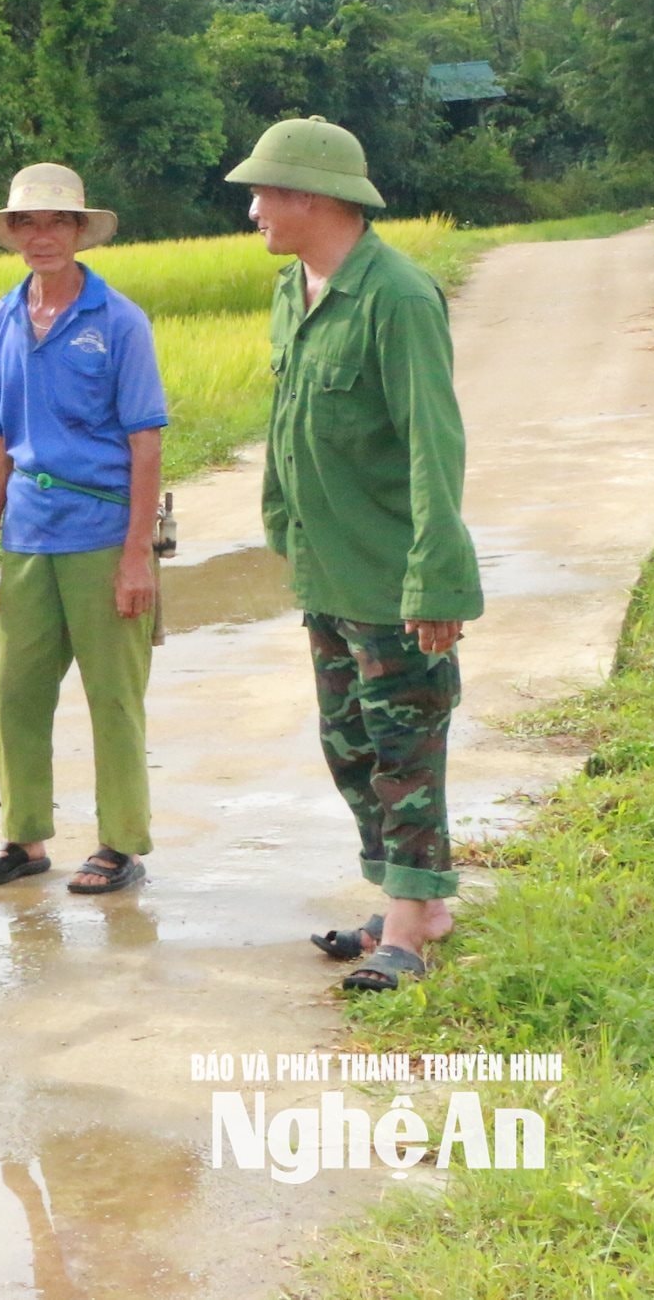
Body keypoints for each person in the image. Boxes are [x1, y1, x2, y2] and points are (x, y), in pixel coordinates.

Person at [227, 117, 483, 993]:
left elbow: (433, 444)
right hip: (327, 567)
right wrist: (280, 520)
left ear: (313, 196)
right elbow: (287, 422)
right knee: (351, 747)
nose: (253, 210)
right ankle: (412, 901)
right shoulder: (293, 290)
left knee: (405, 750)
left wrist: (436, 577)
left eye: (264, 193)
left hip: (391, 572)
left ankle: (409, 928)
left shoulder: (397, 297)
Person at [0, 164, 169, 897]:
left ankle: (120, 843)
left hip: (103, 534)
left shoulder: (119, 322)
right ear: (12, 234)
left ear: (79, 231)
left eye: (56, 222)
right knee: (13, 693)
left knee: (114, 697)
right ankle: (24, 837)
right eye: (28, 223)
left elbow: (146, 443)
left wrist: (136, 557)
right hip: (27, 535)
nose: (42, 236)